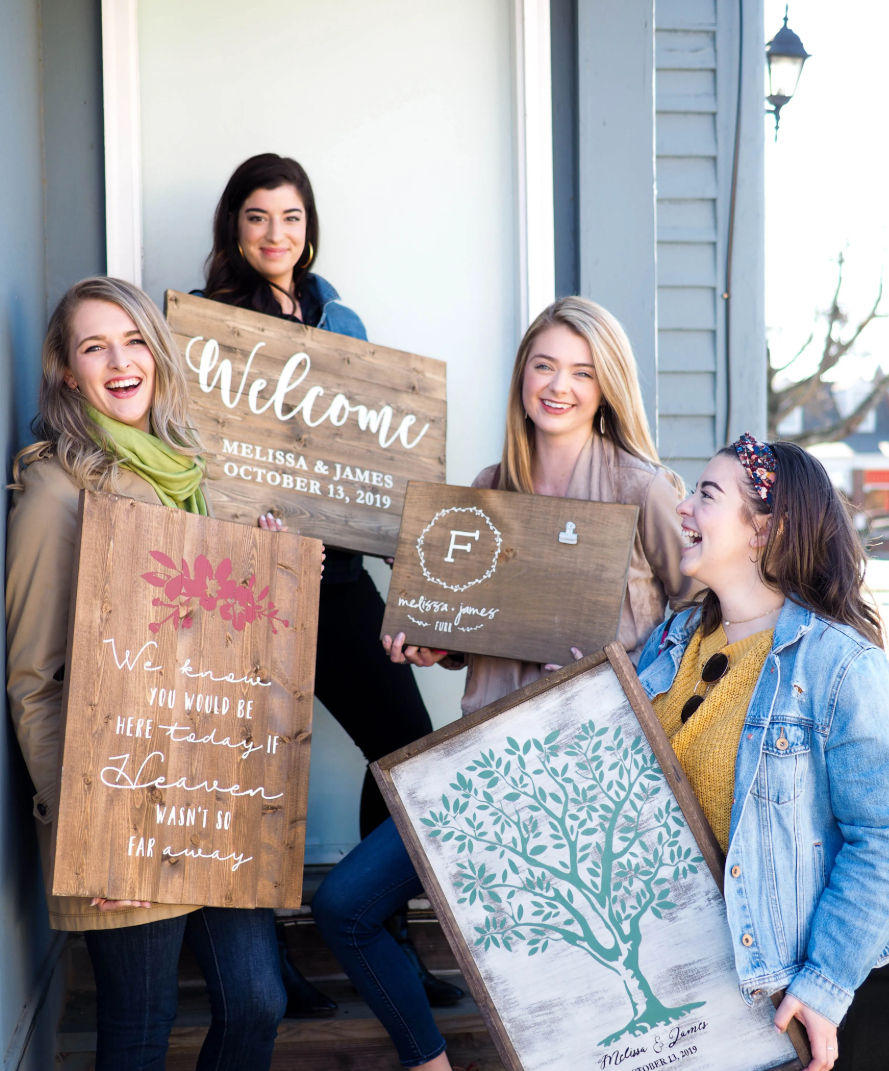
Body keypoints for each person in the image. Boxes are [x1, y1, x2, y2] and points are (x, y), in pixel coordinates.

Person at [313, 296, 695, 1069]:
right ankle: (430, 1061)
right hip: (488, 762)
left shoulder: (643, 488)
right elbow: (476, 627)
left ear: (607, 386)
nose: (558, 385)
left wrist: (611, 676)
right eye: (544, 364)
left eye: (581, 372)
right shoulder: (489, 485)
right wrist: (434, 646)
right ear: (523, 372)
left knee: (559, 983)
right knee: (344, 905)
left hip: (596, 780)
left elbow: (697, 623)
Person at [201, 152, 460, 1012]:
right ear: (233, 228)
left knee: (403, 747)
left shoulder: (339, 318)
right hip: (249, 582)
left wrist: (407, 557)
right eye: (257, 217)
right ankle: (257, 957)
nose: (276, 235)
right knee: (255, 766)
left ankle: (382, 934)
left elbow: (375, 455)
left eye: (291, 217)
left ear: (310, 228)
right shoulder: (204, 325)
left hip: (339, 576)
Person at [5, 277, 287, 1070]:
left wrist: (271, 576)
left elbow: (217, 642)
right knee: (140, 1024)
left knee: (259, 999)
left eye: (133, 341)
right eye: (95, 346)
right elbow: (34, 679)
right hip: (120, 799)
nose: (119, 361)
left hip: (211, 789)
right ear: (67, 372)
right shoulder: (55, 494)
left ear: (157, 356)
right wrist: (93, 839)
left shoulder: (190, 475)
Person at [635, 433, 889, 1071]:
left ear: (763, 530)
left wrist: (824, 987)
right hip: (677, 992)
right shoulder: (670, 642)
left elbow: (881, 838)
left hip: (782, 1004)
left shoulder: (838, 665)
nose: (684, 508)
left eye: (707, 495)